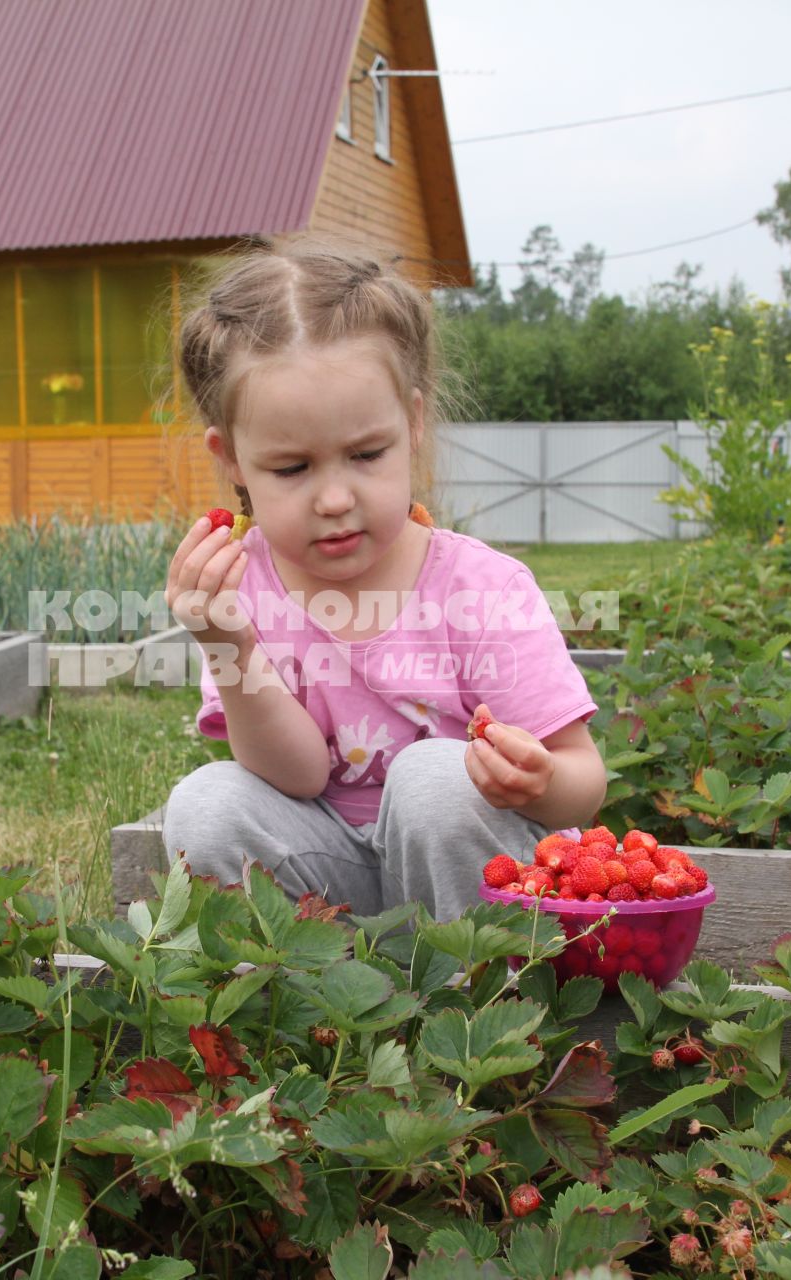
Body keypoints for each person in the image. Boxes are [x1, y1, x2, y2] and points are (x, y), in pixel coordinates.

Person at [160, 238, 605, 922]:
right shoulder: (239, 594)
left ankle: (473, 997)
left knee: (433, 779)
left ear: (414, 423)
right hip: (332, 868)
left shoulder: (479, 587)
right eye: (292, 468)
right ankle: (314, 1000)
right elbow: (298, 777)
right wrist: (231, 646)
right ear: (233, 461)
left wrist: (541, 782)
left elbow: (585, 782)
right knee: (205, 803)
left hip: (475, 875)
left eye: (366, 455)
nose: (334, 497)